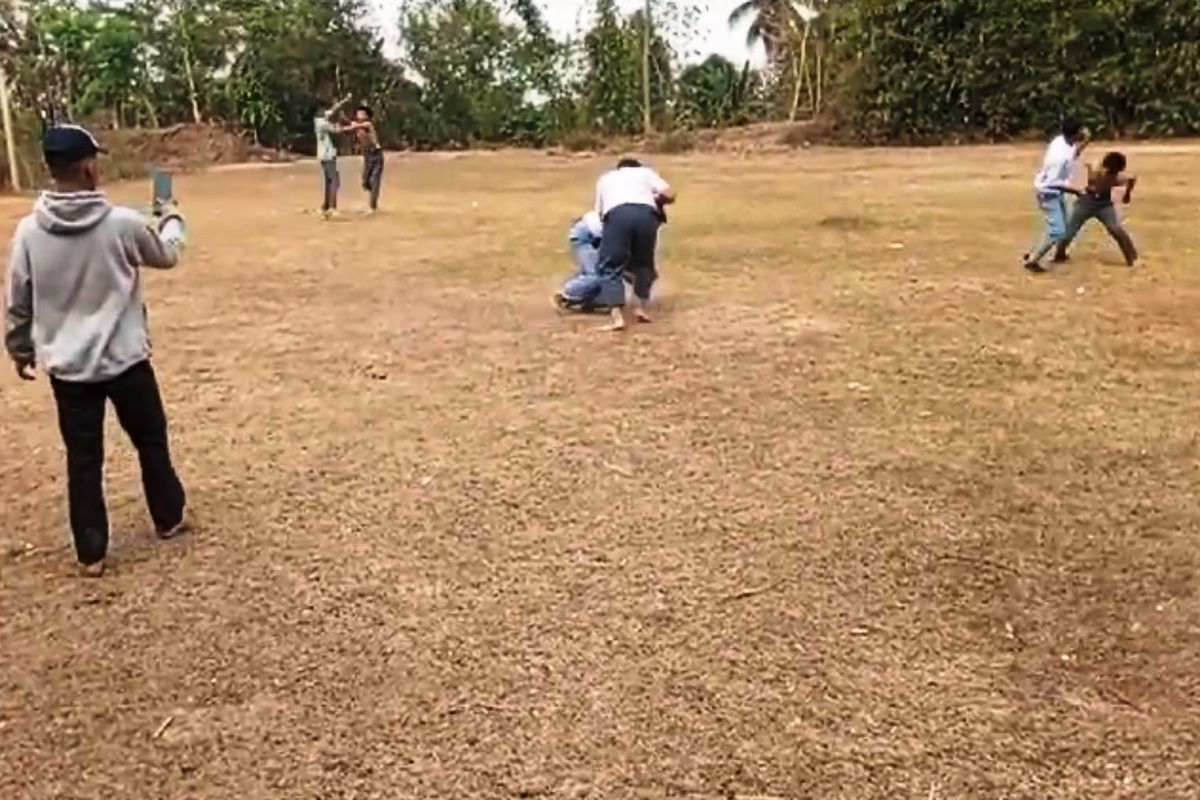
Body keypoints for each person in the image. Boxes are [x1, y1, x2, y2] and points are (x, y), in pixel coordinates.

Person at [4, 125, 189, 577]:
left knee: (83, 459)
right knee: (150, 440)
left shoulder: (28, 232)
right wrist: (173, 220)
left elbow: (19, 300)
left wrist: (20, 347)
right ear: (88, 167)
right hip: (126, 361)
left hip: (70, 370)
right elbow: (166, 255)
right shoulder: (121, 223)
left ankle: (91, 552)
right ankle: (168, 517)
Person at [591, 157, 675, 331]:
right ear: (637, 166)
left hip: (617, 214)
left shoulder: (606, 178)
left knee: (610, 265)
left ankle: (617, 318)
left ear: (619, 168)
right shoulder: (645, 172)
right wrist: (657, 200)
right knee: (644, 263)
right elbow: (670, 194)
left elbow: (599, 212)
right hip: (646, 215)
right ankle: (639, 307)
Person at [1024, 120, 1090, 273]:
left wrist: (1086, 141)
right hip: (1048, 193)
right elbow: (1053, 183)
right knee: (1057, 230)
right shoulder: (1060, 158)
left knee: (1062, 226)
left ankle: (1035, 252)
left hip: (1053, 191)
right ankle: (1033, 261)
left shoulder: (1060, 141)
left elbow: (1075, 152)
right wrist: (1077, 191)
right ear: (1075, 135)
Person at [1054, 152, 1139, 267]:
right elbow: (1092, 179)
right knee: (1069, 231)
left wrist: (1127, 194)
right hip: (1086, 203)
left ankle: (1132, 258)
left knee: (1115, 229)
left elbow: (1132, 178)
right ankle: (1059, 254)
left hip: (1104, 205)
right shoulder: (1097, 169)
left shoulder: (1117, 175)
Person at [554, 211, 606, 312]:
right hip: (586, 233)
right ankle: (565, 293)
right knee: (595, 275)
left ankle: (588, 298)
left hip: (590, 229)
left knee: (602, 271)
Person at [314, 95, 353, 219]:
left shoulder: (319, 119)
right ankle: (332, 207)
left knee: (329, 181)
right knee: (335, 181)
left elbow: (333, 109)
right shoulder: (322, 124)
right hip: (328, 155)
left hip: (323, 155)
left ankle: (325, 207)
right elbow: (337, 130)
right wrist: (351, 126)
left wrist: (345, 100)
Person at [348, 104, 385, 214]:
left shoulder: (368, 124)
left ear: (366, 115)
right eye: (358, 113)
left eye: (361, 113)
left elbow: (362, 126)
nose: (358, 114)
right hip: (367, 156)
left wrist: (353, 125)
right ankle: (373, 193)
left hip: (376, 155)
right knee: (365, 181)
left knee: (375, 181)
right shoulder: (357, 126)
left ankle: (372, 206)